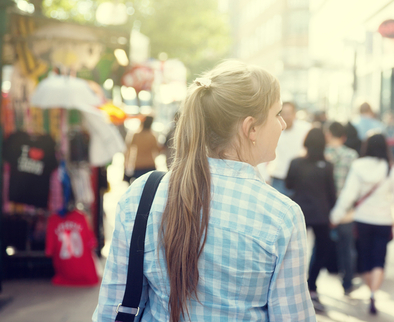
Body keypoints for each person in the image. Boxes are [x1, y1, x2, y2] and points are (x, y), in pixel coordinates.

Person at [94, 61, 315, 322]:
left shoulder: (143, 195)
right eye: (277, 114)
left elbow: (112, 308)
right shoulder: (281, 216)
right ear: (251, 128)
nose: (283, 124)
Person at [330, 133, 394, 315]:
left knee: (364, 258)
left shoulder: (358, 166)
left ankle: (369, 288)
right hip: (384, 221)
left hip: (362, 219)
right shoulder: (391, 169)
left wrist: (336, 216)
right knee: (379, 258)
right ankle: (373, 292)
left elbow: (349, 194)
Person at [285, 128, 337, 312]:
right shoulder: (327, 165)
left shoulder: (296, 162)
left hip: (300, 212)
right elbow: (332, 193)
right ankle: (312, 285)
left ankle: (296, 287)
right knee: (321, 249)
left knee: (297, 251)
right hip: (321, 214)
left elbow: (288, 184)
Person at [324, 121, 358, 295]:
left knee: (319, 246)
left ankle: (311, 284)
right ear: (344, 137)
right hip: (345, 208)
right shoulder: (352, 156)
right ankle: (347, 282)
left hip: (325, 206)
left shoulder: (322, 154)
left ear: (328, 134)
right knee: (347, 247)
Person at [268, 101, 311, 196]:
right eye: (283, 114)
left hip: (299, 178)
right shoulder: (273, 129)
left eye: (289, 113)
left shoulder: (305, 128)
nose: (286, 117)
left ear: (294, 114)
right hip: (278, 176)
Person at [124, 115, 160, 182]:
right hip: (150, 163)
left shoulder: (136, 135)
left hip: (138, 164)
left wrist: (126, 164)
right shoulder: (152, 136)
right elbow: (157, 150)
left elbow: (128, 150)